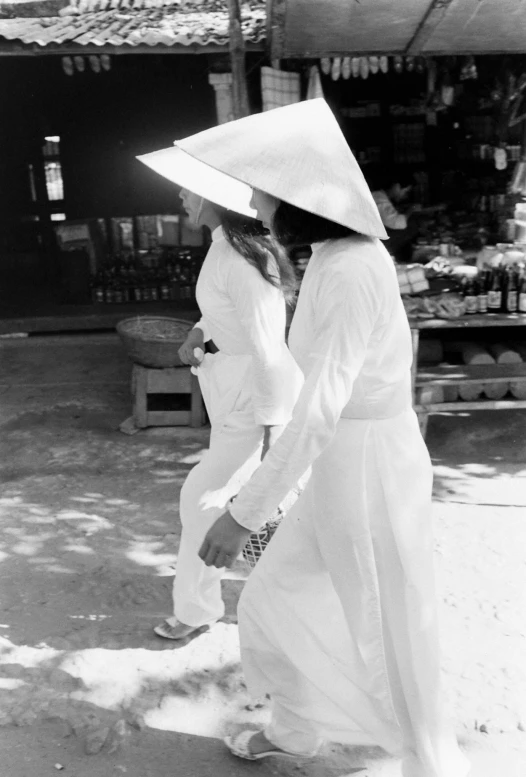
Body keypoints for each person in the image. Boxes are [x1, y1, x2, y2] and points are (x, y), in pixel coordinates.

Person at [153, 99, 471, 776]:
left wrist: (244, 512)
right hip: (334, 464)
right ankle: (298, 731)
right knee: (272, 601)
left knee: (388, 626)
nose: (257, 202)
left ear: (299, 198)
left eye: (264, 190)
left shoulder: (354, 267)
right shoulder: (330, 257)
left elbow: (321, 405)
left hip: (367, 469)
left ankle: (429, 762)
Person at [137, 148, 303, 641]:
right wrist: (198, 333)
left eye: (188, 189)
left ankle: (195, 610)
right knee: (220, 501)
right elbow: (223, 313)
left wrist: (275, 429)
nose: (181, 196)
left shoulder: (240, 257)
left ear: (212, 196)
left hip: (256, 399)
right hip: (235, 393)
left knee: (202, 498)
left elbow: (268, 346)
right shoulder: (225, 246)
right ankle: (270, 591)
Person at [365, 168, 420, 261]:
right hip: (369, 243)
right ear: (397, 186)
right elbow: (398, 223)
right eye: (405, 191)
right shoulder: (378, 198)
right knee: (411, 227)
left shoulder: (381, 196)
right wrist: (411, 210)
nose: (405, 196)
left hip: (373, 240)